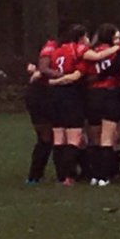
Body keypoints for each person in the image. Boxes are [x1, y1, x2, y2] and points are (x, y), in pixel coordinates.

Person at [45, 23, 90, 185]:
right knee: (73, 137)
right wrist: (59, 81)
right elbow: (75, 76)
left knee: (59, 137)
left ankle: (60, 176)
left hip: (55, 96)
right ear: (80, 38)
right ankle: (68, 176)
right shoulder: (78, 51)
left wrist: (54, 82)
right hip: (71, 95)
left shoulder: (57, 51)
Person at [81, 24, 120, 185]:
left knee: (94, 138)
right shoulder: (116, 53)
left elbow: (85, 74)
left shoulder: (91, 52)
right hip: (110, 93)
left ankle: (94, 175)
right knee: (107, 138)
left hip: (93, 95)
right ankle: (104, 176)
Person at [23, 34, 58, 184]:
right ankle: (34, 176)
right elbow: (42, 69)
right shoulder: (50, 48)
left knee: (56, 137)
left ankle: (67, 173)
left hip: (49, 96)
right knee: (46, 137)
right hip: (40, 97)